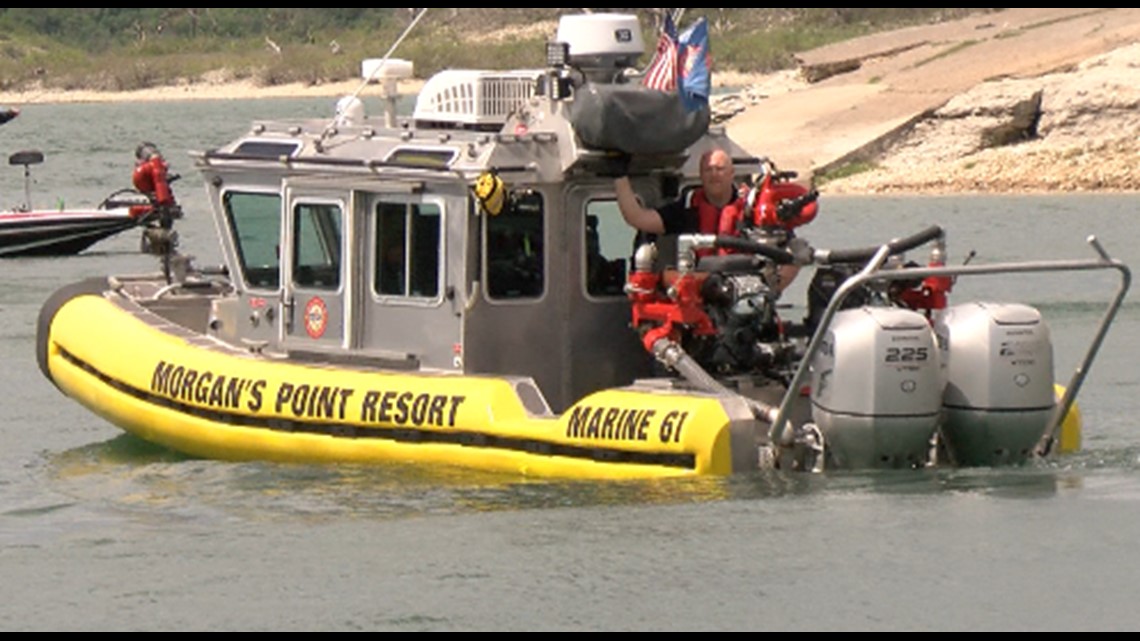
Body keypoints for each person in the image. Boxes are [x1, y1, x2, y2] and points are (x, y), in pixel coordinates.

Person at [613, 147, 801, 292]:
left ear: (731, 174)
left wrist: (770, 290)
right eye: (708, 169)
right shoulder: (686, 208)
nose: (714, 174)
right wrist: (619, 176)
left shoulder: (754, 210)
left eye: (719, 168)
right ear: (701, 176)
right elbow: (638, 218)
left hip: (746, 292)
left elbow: (795, 253)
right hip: (698, 294)